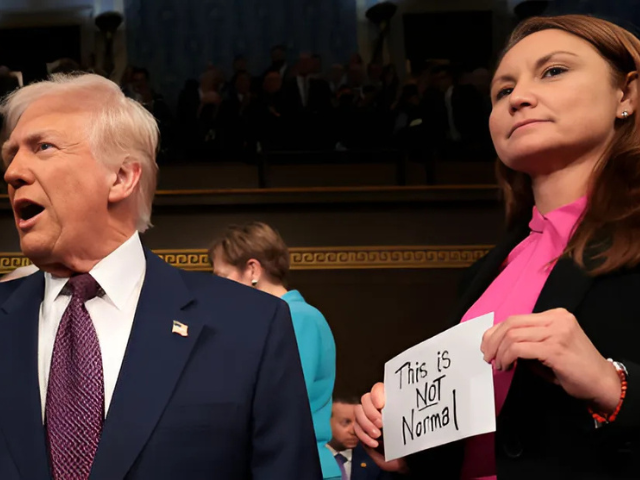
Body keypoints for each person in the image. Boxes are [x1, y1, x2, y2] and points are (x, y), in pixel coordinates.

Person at [355, 14, 640, 480]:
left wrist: (614, 385)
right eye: (502, 91)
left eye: (553, 71)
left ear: (625, 94)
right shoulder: (487, 270)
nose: (519, 97)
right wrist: (405, 439)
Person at [0, 73, 321, 479]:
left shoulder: (253, 326)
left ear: (121, 177)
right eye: (10, 155)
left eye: (42, 147)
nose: (13, 172)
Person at [209, 222, 341, 480]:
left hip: (300, 468)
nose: (216, 288)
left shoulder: (297, 317)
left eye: (222, 277)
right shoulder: (273, 320)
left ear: (252, 270)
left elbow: (280, 403)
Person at [328, 396, 394, 480]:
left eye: (358, 422)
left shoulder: (376, 460)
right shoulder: (310, 459)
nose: (354, 431)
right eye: (346, 422)